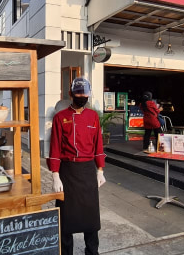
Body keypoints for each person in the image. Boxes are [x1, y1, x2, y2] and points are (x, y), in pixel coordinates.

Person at [47, 77, 106, 255]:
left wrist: (100, 170)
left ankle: (92, 251)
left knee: (91, 216)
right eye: (78, 92)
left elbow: (98, 145)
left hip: (88, 170)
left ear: (88, 94)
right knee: (66, 218)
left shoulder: (93, 116)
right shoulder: (60, 117)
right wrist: (55, 175)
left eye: (84, 93)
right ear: (71, 94)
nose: (82, 96)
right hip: (68, 171)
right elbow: (55, 147)